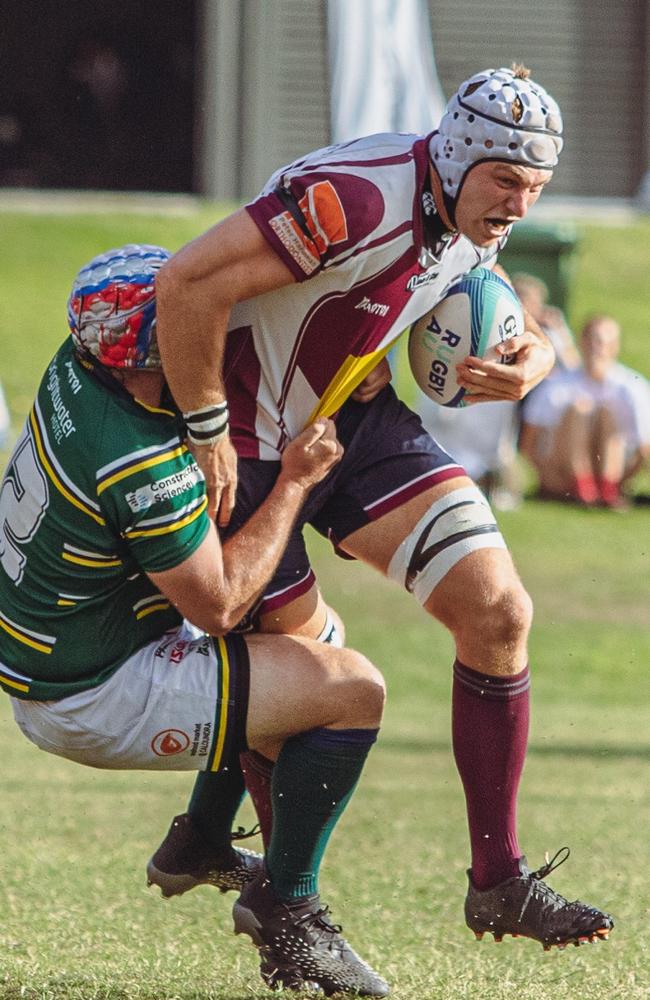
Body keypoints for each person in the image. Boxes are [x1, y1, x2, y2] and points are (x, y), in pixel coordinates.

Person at [153, 66, 614, 950]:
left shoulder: (470, 214)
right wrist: (209, 430)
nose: (519, 204)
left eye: (537, 188)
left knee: (499, 611)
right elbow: (187, 284)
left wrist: (534, 364)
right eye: (508, 182)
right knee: (311, 684)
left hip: (349, 425)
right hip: (249, 442)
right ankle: (283, 906)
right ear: (458, 155)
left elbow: (506, 304)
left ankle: (499, 882)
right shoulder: (352, 201)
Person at [0, 245, 390, 998]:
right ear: (152, 355)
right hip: (91, 694)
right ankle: (290, 914)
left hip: (64, 647)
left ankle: (204, 842)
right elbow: (219, 604)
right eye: (195, 334)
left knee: (318, 646)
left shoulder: (80, 365)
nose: (214, 345)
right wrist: (297, 485)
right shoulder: (137, 461)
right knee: (350, 692)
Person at [520, 314, 650, 507]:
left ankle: (607, 485)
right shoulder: (556, 386)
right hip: (561, 470)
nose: (598, 349)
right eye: (594, 341)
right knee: (578, 409)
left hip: (615, 470)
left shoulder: (632, 388)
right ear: (583, 342)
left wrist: (625, 481)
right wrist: (550, 479)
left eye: (605, 343)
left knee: (607, 412)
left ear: (615, 347)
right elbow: (529, 443)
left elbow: (644, 447)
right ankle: (582, 483)